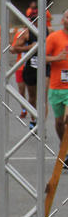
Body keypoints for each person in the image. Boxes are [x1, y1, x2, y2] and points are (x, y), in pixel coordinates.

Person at [45, 9, 68, 151]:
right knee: (59, 122)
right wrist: (56, 58)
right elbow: (41, 57)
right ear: (62, 20)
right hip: (57, 87)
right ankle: (63, 145)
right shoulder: (54, 37)